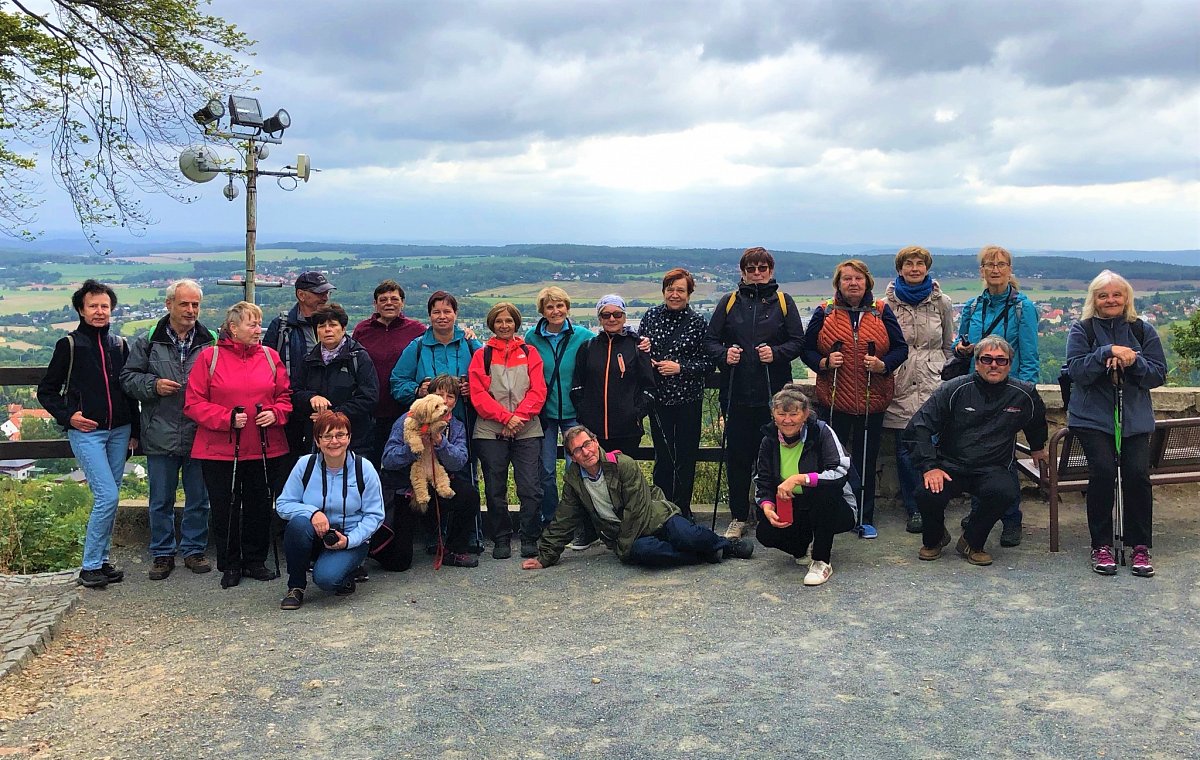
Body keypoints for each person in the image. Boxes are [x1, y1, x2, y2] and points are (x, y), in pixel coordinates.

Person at [521, 425, 754, 570]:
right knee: (646, 553)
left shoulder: (623, 464)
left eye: (587, 444)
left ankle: (725, 545)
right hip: (628, 535)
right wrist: (546, 556)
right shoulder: (574, 480)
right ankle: (705, 555)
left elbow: (638, 509)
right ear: (572, 456)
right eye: (578, 450)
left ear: (596, 442)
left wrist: (624, 548)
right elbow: (565, 517)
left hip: (655, 516)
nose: (586, 452)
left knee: (686, 535)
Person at [902, 336, 1048, 567]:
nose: (993, 365)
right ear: (977, 363)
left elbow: (1036, 420)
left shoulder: (1024, 393)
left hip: (993, 467)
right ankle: (935, 538)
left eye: (1001, 361)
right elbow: (918, 427)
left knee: (1005, 492)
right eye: (987, 359)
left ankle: (972, 541)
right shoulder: (954, 389)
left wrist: (1038, 447)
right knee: (926, 493)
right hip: (950, 465)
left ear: (1010, 364)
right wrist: (930, 467)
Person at [37, 279, 140, 589]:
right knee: (108, 495)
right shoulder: (68, 345)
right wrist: (70, 417)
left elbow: (128, 391)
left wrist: (134, 431)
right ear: (81, 310)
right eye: (93, 306)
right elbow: (47, 391)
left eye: (104, 306)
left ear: (111, 310)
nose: (99, 311)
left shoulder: (119, 345)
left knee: (109, 497)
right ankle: (90, 566)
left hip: (119, 431)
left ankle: (102, 561)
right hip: (88, 433)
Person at [1065, 270, 1166, 577]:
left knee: (1136, 475)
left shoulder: (1142, 330)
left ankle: (1139, 546)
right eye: (1103, 295)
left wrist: (1135, 361)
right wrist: (1105, 353)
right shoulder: (1081, 330)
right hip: (1092, 418)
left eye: (1116, 295)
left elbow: (1158, 375)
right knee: (1104, 472)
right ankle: (1102, 544)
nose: (1110, 300)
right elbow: (1077, 371)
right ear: (1094, 299)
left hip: (1133, 418)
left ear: (1126, 298)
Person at [184, 301, 292, 589]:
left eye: (259, 324)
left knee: (259, 505)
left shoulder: (270, 357)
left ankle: (255, 561)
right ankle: (230, 564)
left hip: (264, 446)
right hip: (220, 449)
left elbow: (285, 397)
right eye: (252, 324)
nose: (259, 330)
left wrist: (276, 413)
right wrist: (226, 418)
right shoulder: (210, 358)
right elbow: (193, 404)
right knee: (225, 507)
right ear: (233, 328)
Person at [802, 259, 908, 539]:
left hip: (872, 399)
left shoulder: (881, 311)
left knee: (866, 460)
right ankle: (832, 513)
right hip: (834, 398)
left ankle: (864, 516)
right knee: (830, 461)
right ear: (838, 283)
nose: (853, 283)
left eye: (858, 279)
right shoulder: (824, 311)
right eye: (847, 279)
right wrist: (824, 362)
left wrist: (883, 365)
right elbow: (807, 350)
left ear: (867, 283)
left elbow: (900, 348)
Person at [705, 247, 805, 540]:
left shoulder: (784, 302)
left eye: (763, 268)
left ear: (771, 271)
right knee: (737, 458)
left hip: (775, 397)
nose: (757, 274)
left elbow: (798, 342)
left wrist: (775, 353)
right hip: (736, 394)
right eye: (752, 269)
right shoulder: (729, 301)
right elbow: (710, 341)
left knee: (777, 457)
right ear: (743, 272)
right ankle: (738, 516)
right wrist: (726, 355)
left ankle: (771, 514)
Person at [119, 279, 217, 580]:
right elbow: (127, 378)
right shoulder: (149, 340)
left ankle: (194, 549)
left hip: (199, 431)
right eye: (184, 304)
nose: (190, 310)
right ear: (169, 304)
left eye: (195, 305)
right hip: (160, 431)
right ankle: (162, 553)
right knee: (160, 498)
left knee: (199, 497)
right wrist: (154, 385)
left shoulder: (211, 339)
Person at [954, 245, 1039, 547]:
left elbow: (1029, 355)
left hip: (1008, 391)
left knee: (1004, 457)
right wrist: (961, 348)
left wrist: (1023, 396)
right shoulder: (973, 306)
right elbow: (960, 345)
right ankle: (983, 513)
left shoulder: (1022, 307)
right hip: (975, 391)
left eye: (1001, 264)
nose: (995, 269)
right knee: (979, 453)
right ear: (981, 271)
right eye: (989, 264)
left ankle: (1011, 519)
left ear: (1009, 269)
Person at [389, 290, 483, 553]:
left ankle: (466, 535)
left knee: (463, 476)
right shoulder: (417, 346)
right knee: (428, 477)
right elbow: (397, 383)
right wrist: (418, 391)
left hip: (460, 423)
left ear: (456, 314)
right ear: (429, 315)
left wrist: (470, 390)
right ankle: (434, 535)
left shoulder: (470, 345)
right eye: (436, 312)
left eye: (447, 311)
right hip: (424, 426)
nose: (442, 316)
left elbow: (488, 379)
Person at [569, 294, 656, 550]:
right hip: (593, 430)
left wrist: (636, 413)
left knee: (624, 480)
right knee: (590, 478)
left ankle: (628, 530)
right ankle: (589, 530)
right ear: (599, 318)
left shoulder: (637, 346)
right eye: (606, 315)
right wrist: (584, 414)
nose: (611, 319)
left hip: (626, 429)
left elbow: (649, 387)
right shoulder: (588, 347)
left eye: (617, 314)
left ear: (624, 317)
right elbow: (577, 385)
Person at [275, 411, 385, 609]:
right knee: (298, 525)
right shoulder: (304, 465)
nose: (334, 441)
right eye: (327, 436)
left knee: (327, 580)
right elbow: (283, 504)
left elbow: (375, 515)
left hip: (350, 537)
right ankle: (296, 586)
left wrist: (350, 540)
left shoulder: (364, 468)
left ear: (349, 438)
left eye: (340, 435)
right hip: (315, 533)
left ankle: (347, 571)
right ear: (318, 441)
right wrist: (312, 513)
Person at [882, 247, 954, 534]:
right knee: (904, 448)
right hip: (900, 378)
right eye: (908, 264)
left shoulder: (942, 302)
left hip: (932, 380)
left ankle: (933, 504)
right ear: (900, 269)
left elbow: (948, 345)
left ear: (927, 268)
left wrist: (944, 374)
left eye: (920, 264)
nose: (914, 268)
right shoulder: (885, 304)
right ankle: (913, 508)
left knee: (933, 445)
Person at [754, 385, 857, 586]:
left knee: (822, 492)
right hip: (794, 506)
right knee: (764, 531)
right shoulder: (768, 441)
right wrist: (767, 506)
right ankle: (801, 549)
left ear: (805, 414)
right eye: (781, 414)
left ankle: (821, 560)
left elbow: (840, 471)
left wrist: (800, 479)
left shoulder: (822, 432)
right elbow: (762, 481)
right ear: (773, 414)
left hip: (833, 507)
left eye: (793, 414)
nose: (787, 420)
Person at [469, 303, 547, 559]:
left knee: (530, 487)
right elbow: (478, 395)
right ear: (492, 324)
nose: (504, 325)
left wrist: (518, 418)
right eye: (499, 321)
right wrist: (506, 418)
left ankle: (529, 536)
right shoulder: (482, 355)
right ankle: (501, 538)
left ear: (516, 323)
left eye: (509, 321)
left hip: (527, 428)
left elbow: (538, 390)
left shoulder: (530, 352)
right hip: (491, 430)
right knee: (494, 487)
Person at [381, 374, 481, 569]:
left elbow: (459, 462)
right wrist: (413, 447)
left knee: (469, 495)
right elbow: (388, 459)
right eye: (439, 394)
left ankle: (454, 549)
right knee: (399, 562)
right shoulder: (406, 420)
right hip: (407, 488)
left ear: (455, 401)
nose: (444, 400)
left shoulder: (457, 426)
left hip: (438, 482)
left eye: (450, 396)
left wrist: (440, 443)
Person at [639, 268, 712, 519]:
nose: (674, 294)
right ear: (663, 291)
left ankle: (682, 508)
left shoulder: (698, 323)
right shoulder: (650, 317)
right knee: (662, 457)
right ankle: (662, 508)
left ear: (689, 294)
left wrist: (679, 368)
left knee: (686, 455)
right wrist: (646, 360)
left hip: (688, 399)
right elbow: (638, 351)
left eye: (680, 290)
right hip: (658, 399)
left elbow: (708, 363)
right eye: (670, 289)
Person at [524, 286, 594, 528]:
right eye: (550, 307)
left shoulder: (583, 336)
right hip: (545, 413)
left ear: (567, 307)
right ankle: (551, 520)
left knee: (576, 468)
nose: (556, 311)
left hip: (575, 413)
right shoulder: (532, 337)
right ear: (543, 311)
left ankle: (577, 520)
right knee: (545, 471)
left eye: (560, 305)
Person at [352, 279, 426, 467]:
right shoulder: (362, 329)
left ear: (402, 302)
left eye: (394, 299)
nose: (389, 303)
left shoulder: (416, 330)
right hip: (370, 410)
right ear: (375, 304)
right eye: (383, 299)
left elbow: (441, 338)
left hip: (404, 408)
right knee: (369, 463)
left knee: (404, 463)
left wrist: (467, 333)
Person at [290, 302, 378, 457]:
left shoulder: (359, 358)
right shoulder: (308, 360)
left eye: (333, 325)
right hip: (316, 441)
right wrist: (311, 397)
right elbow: (295, 392)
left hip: (355, 440)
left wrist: (332, 415)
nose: (327, 330)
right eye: (322, 326)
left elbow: (369, 397)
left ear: (343, 328)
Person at [264, 270, 336, 387]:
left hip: (327, 400)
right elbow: (266, 365)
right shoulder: (281, 327)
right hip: (291, 398)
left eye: (327, 293)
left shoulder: (335, 325)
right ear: (301, 295)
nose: (325, 298)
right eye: (320, 293)